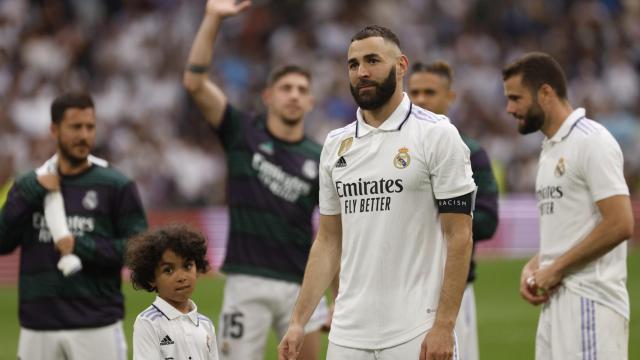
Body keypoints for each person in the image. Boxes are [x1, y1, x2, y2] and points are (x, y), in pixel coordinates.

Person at [279, 25, 476, 360]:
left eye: (372, 60)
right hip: (347, 332)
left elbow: (460, 236)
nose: (362, 72)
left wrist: (444, 325)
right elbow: (328, 240)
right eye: (353, 64)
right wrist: (299, 320)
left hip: (416, 329)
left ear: (401, 65)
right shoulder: (335, 144)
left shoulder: (437, 135)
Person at [182, 1, 333, 359]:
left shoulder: (320, 156)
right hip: (247, 279)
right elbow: (194, 82)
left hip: (300, 283)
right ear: (268, 96)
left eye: (301, 90)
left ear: (310, 101)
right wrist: (212, 18)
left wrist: (334, 294)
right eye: (286, 88)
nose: (294, 95)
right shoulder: (242, 132)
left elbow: (334, 231)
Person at [503, 52, 633, 360]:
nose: (509, 109)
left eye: (516, 98)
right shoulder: (551, 150)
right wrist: (537, 264)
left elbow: (620, 223)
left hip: (590, 302)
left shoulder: (591, 141)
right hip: (557, 304)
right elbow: (572, 229)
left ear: (546, 92)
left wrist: (556, 268)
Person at [0, 92, 148, 360]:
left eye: (90, 127)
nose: (84, 135)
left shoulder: (116, 185)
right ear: (54, 130)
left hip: (96, 323)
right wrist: (32, 192)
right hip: (38, 326)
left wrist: (81, 246)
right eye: (75, 127)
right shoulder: (27, 186)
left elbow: (139, 249)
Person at [408, 61, 499, 360]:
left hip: (453, 288)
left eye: (430, 92)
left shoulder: (470, 151)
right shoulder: (397, 151)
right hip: (402, 285)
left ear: (450, 97)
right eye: (415, 92)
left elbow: (486, 221)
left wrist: (443, 211)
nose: (421, 99)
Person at [127, 225, 219, 360]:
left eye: (187, 266)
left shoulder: (206, 325)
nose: (181, 277)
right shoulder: (148, 323)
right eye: (168, 270)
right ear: (152, 278)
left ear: (197, 268)